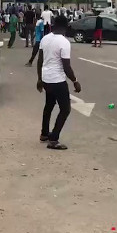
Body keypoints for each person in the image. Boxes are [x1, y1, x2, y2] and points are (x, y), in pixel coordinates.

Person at [36, 15, 81, 150]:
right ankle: (53, 139)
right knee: (65, 109)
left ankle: (44, 134)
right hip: (57, 80)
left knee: (49, 106)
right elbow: (66, 66)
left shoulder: (45, 38)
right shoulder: (64, 42)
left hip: (46, 78)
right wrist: (75, 81)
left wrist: (39, 79)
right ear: (66, 27)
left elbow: (40, 60)